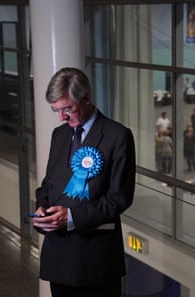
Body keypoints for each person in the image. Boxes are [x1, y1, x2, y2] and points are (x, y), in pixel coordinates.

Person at [31, 67, 136, 297]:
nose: (62, 117)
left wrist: (70, 217)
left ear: (86, 98)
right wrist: (42, 211)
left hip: (95, 262)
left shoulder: (117, 136)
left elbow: (119, 199)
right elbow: (48, 185)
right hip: (59, 258)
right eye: (56, 110)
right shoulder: (59, 135)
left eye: (67, 109)